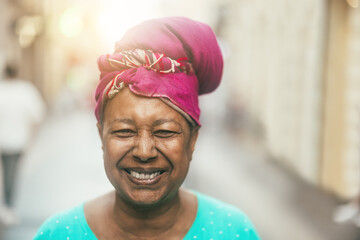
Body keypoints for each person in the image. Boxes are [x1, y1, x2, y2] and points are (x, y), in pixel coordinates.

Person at [34, 17, 260, 239]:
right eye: (124, 131)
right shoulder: (58, 234)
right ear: (101, 137)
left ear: (192, 141)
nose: (144, 152)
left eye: (165, 132)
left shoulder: (233, 231)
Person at [0, 64, 45, 224]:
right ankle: (8, 208)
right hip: (18, 141)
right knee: (11, 174)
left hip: (3, 140)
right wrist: (31, 138)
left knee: (7, 173)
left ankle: (6, 208)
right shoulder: (26, 90)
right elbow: (37, 116)